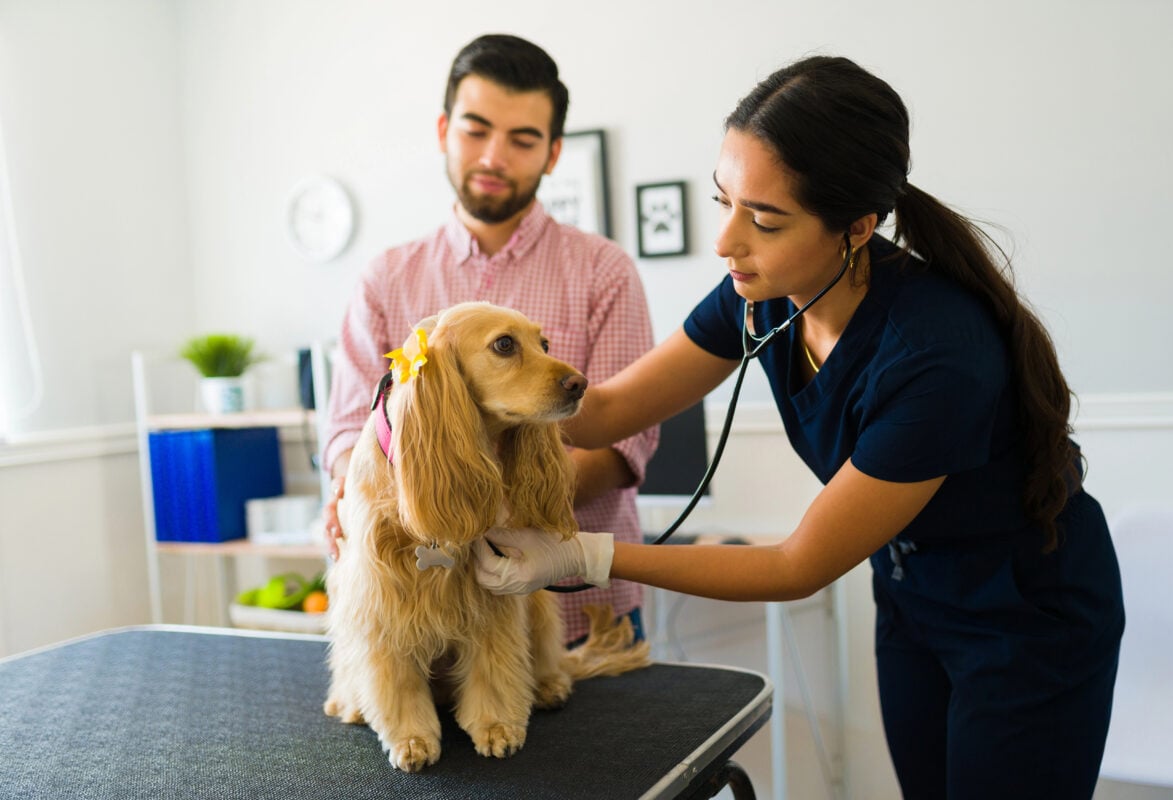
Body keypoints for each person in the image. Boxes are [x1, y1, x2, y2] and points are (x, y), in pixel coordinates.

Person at [473, 55, 1124, 799]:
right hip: (912, 595)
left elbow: (797, 567)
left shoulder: (938, 355)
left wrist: (583, 556)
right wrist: (475, 392)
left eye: (765, 219)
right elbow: (610, 412)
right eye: (726, 201)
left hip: (1025, 616)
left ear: (856, 228)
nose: (726, 242)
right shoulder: (761, 295)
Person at [321, 33, 658, 646]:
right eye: (476, 130)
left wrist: (481, 504)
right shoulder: (384, 280)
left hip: (582, 610)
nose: (494, 156)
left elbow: (625, 445)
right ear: (445, 130)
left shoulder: (604, 271)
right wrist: (364, 492)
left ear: (553, 153)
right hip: (421, 623)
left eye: (523, 139)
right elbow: (349, 430)